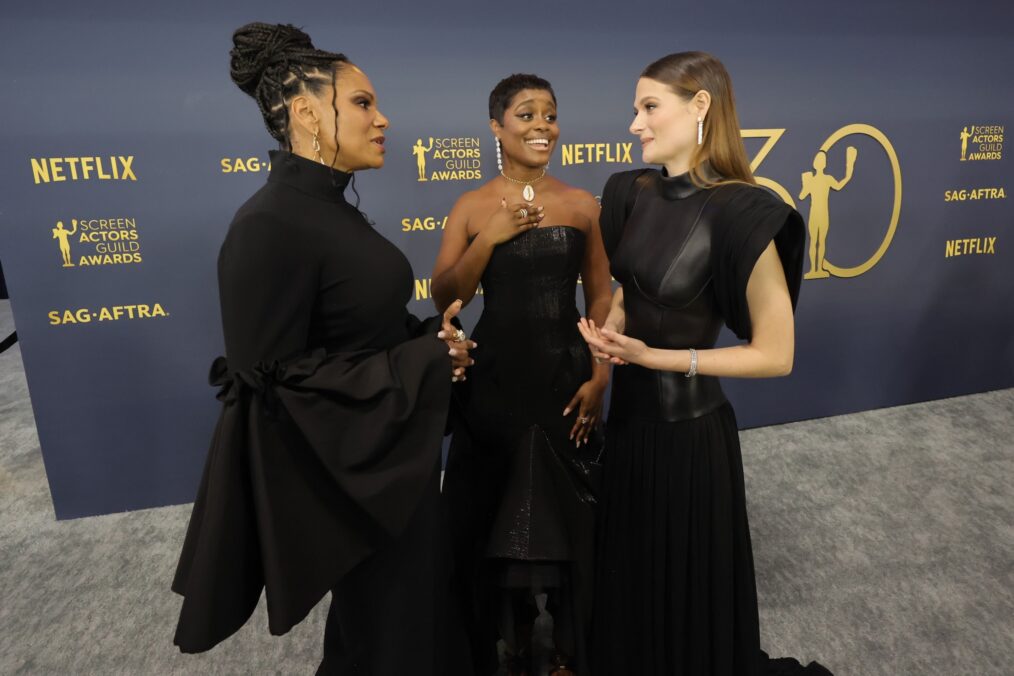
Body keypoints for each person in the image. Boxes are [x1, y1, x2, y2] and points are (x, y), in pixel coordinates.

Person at [171, 23, 474, 675]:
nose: (382, 117)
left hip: (392, 455)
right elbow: (273, 385)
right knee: (388, 630)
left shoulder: (332, 209)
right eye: (363, 102)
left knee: (417, 610)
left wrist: (429, 343)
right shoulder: (267, 225)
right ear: (307, 112)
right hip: (353, 479)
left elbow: (355, 328)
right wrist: (423, 364)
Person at [578, 52, 832, 675]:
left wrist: (650, 357)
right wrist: (613, 328)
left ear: (700, 107)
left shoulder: (746, 213)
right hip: (631, 425)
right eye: (635, 108)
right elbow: (629, 296)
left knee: (684, 588)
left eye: (648, 107)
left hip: (691, 442)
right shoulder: (628, 192)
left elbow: (777, 355)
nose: (634, 123)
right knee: (633, 574)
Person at [432, 74, 612, 676]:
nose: (542, 125)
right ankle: (506, 645)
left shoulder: (583, 205)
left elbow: (602, 302)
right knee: (494, 510)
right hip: (496, 386)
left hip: (566, 381)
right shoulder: (472, 206)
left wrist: (601, 375)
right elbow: (445, 296)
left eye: (550, 115)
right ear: (497, 127)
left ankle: (566, 649)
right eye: (526, 114)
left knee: (570, 515)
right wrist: (491, 238)